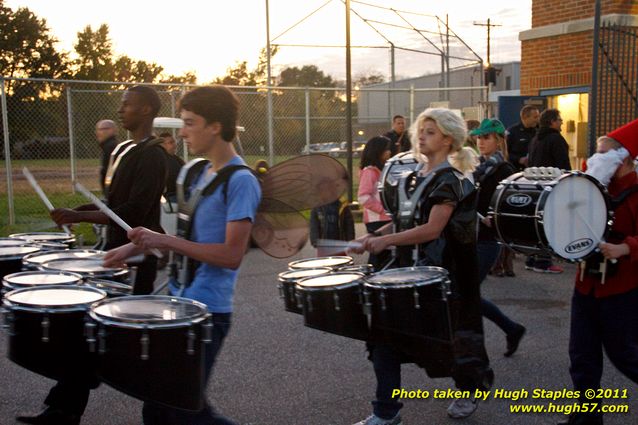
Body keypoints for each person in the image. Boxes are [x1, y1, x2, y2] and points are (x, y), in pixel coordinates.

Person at [104, 85, 261, 425]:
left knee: (177, 410)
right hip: (178, 302)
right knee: (165, 406)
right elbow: (188, 237)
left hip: (207, 312)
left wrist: (167, 242)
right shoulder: (195, 171)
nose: (183, 132)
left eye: (190, 123)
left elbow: (232, 255)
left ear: (215, 126)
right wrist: (136, 245)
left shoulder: (241, 181)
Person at [16, 86, 168, 425]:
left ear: (146, 111)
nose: (121, 108)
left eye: (128, 104)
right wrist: (77, 212)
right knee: (87, 334)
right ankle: (64, 408)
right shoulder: (126, 149)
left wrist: (82, 215)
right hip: (116, 255)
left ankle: (168, 407)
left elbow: (136, 211)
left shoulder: (153, 154)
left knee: (103, 338)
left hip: (136, 258)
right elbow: (113, 206)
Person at [351, 108, 493, 425]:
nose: (421, 136)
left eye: (430, 131)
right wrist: (372, 238)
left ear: (448, 138)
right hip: (408, 273)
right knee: (384, 336)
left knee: (455, 341)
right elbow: (405, 221)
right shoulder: (414, 176)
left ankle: (468, 390)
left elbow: (432, 229)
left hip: (446, 276)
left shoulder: (453, 179)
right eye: (421, 130)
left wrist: (388, 242)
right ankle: (386, 411)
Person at [559, 119, 638, 425]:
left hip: (622, 289)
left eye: (605, 154)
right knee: (582, 359)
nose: (596, 160)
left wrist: (626, 247)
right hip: (586, 284)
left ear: (626, 159)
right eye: (596, 153)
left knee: (626, 356)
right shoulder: (590, 190)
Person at [470, 118, 526, 357]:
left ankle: (473, 353)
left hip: (486, 241)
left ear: (499, 140)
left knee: (466, 295)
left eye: (486, 137)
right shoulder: (477, 167)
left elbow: (515, 205)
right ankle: (511, 329)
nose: (480, 142)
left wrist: (496, 218)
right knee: (466, 295)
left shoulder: (505, 170)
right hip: (470, 237)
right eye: (479, 137)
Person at [526, 108, 571, 274]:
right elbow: (563, 165)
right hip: (552, 187)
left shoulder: (535, 139)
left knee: (536, 223)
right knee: (549, 224)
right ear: (552, 121)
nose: (562, 122)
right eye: (559, 119)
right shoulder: (556, 139)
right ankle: (544, 262)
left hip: (535, 186)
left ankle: (531, 258)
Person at [357, 135, 392, 270]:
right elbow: (363, 197)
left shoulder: (381, 170)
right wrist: (384, 209)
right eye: (386, 149)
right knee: (379, 254)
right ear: (378, 151)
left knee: (386, 253)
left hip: (384, 219)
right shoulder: (370, 172)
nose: (389, 152)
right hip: (377, 220)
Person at [506, 105, 540, 171]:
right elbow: (504, 153)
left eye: (538, 116)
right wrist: (518, 159)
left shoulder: (538, 131)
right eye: (535, 117)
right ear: (525, 117)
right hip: (517, 171)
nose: (538, 119)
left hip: (535, 171)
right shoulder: (512, 132)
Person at [158, 131, 185, 202]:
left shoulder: (175, 158)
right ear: (162, 146)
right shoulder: (165, 160)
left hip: (181, 194)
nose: (174, 145)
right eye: (171, 143)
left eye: (174, 142)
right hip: (172, 197)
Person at [95, 119, 118, 195]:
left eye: (101, 129)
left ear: (112, 130)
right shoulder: (108, 146)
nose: (97, 133)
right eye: (97, 130)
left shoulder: (110, 147)